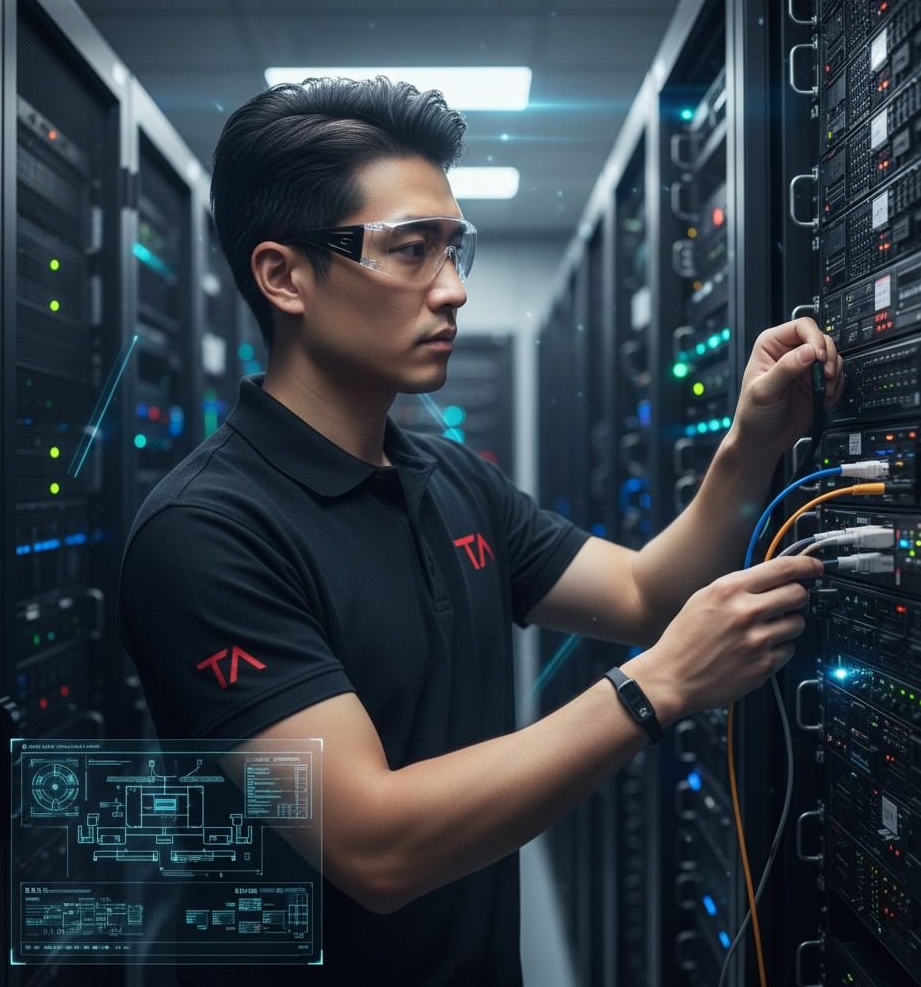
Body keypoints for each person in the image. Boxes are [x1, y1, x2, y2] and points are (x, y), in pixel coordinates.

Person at [117, 76, 842, 985]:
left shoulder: (445, 474)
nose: (452, 289)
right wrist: (657, 687)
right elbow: (376, 848)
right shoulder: (206, 533)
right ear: (282, 275)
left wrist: (750, 444)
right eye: (411, 250)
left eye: (455, 250)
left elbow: (645, 594)